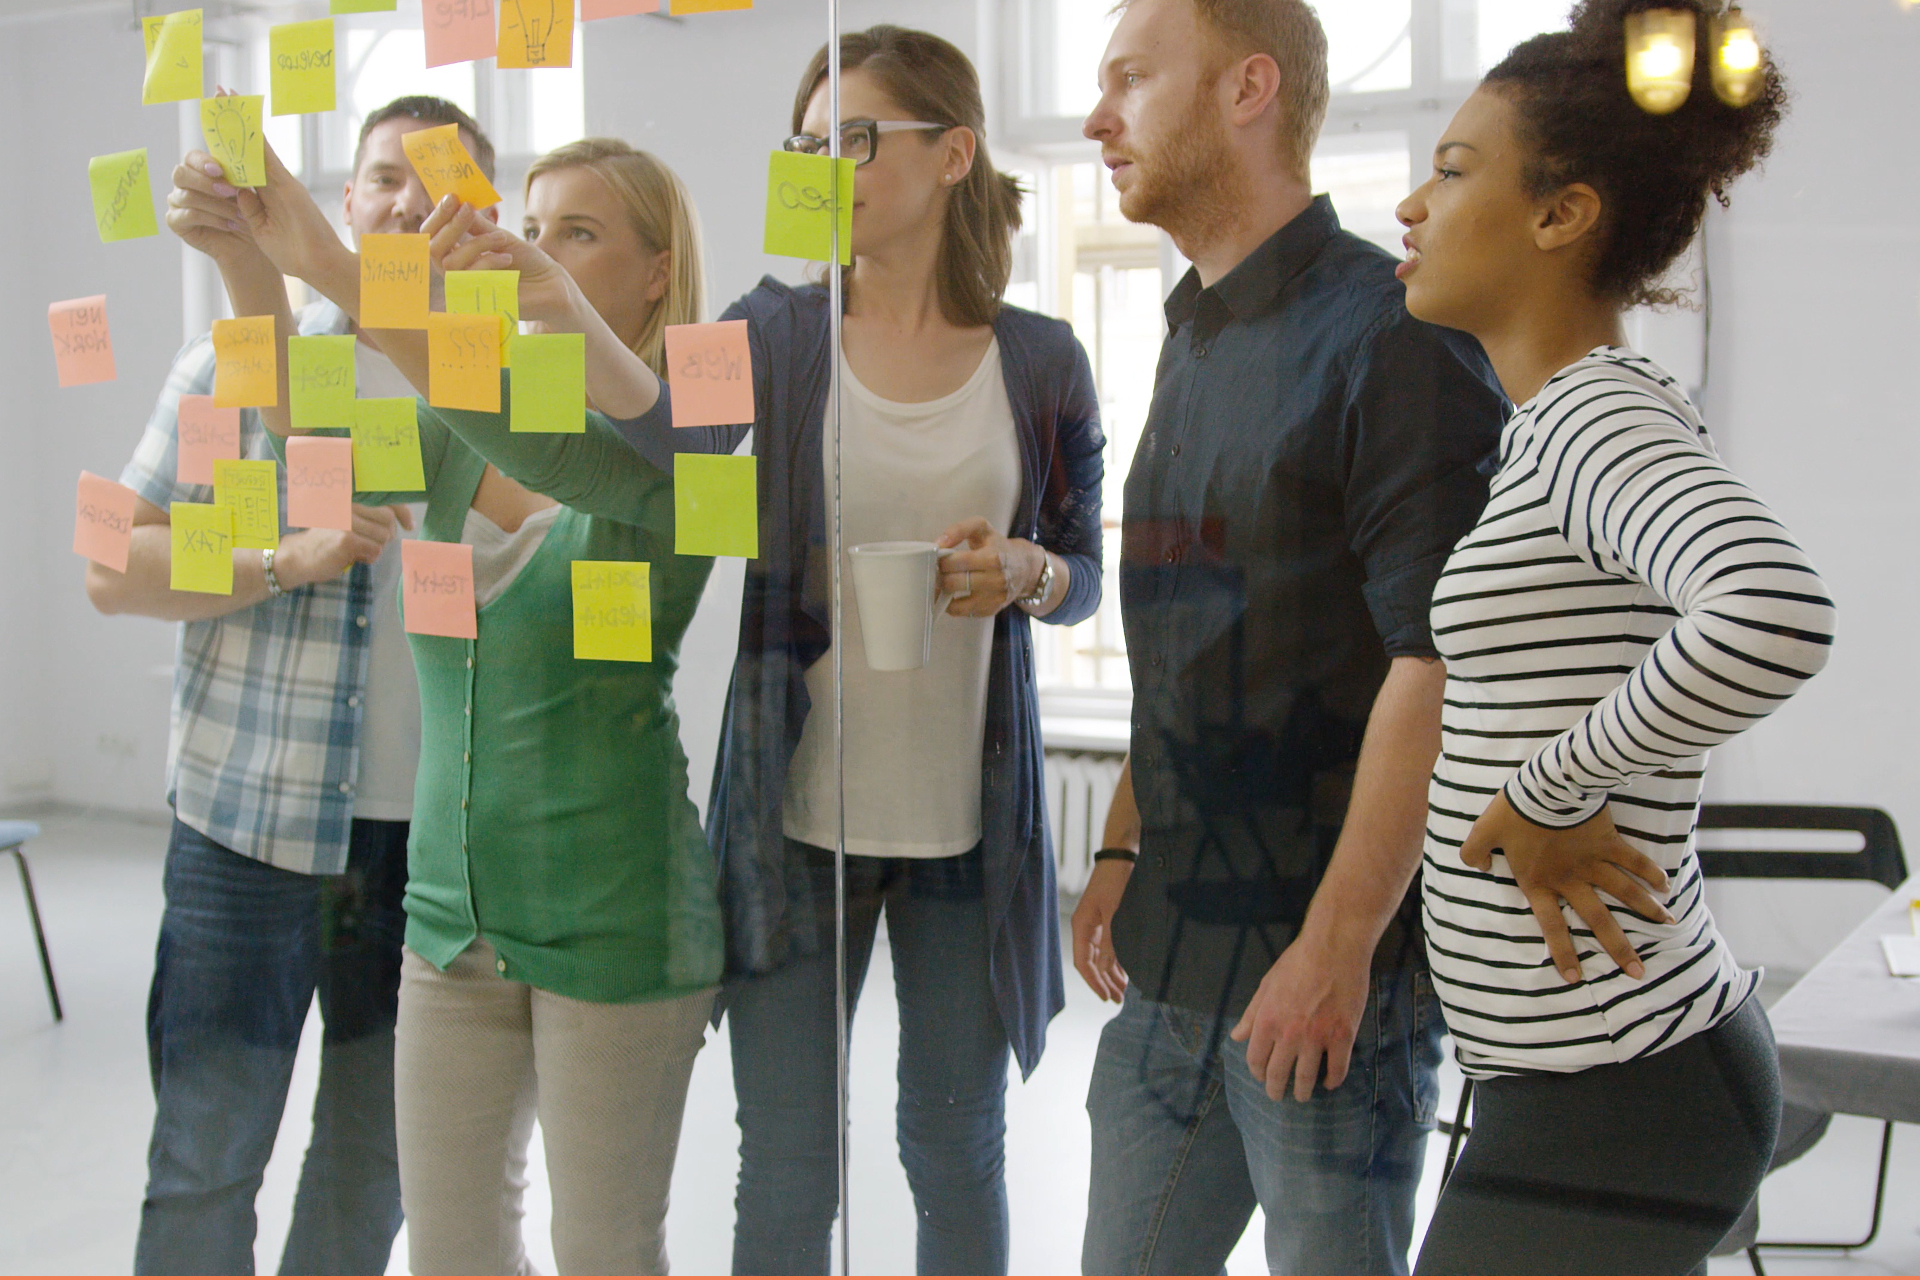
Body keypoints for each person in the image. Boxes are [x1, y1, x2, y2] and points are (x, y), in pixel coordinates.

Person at [366, 25, 1103, 1273]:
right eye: (808, 144)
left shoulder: (1041, 358)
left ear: (955, 152)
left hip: (970, 821)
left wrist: (1029, 572)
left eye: (856, 139)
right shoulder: (765, 328)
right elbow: (656, 452)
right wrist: (541, 310)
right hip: (794, 810)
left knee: (955, 1138)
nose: (826, 164)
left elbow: (1085, 571)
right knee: (790, 1160)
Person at [166, 129, 725, 1275]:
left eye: (578, 229)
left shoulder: (705, 424)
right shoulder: (453, 433)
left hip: (618, 920)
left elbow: (569, 453)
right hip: (449, 923)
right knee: (454, 1254)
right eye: (532, 220)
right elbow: (305, 433)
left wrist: (331, 257)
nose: (536, 247)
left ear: (658, 268)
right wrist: (245, 260)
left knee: (607, 1251)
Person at [1069, 0, 1509, 1273]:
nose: (1102, 116)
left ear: (1248, 88)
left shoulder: (1396, 332)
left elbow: (1436, 667)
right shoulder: (1191, 327)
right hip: (1173, 950)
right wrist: (1119, 843)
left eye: (1133, 79)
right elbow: (1187, 632)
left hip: (1324, 983)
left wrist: (1337, 946)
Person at [1395, 2, 1833, 1272]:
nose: (1414, 208)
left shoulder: (1593, 412)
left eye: (1454, 170)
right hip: (1587, 1075)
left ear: (1559, 214)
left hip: (1622, 1085)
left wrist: (1546, 787)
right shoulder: (1555, 424)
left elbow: (1775, 610)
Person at [86, 95, 491, 1277]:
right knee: (207, 1160)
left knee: (375, 1167)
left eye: (442, 177)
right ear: (341, 203)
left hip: (430, 853)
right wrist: (277, 560)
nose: (411, 200)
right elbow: (115, 564)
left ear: (487, 213)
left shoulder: (507, 390)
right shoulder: (227, 359)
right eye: (384, 178)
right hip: (244, 829)